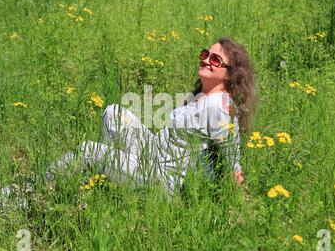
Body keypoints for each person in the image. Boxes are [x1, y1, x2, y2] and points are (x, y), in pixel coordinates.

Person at [46, 36, 258, 196]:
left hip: (160, 177)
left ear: (230, 73)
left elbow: (231, 157)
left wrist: (239, 201)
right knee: (114, 113)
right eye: (205, 55)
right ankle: (104, 177)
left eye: (215, 59)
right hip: (152, 153)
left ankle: (34, 189)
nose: (206, 61)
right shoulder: (202, 96)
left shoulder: (220, 106)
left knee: (88, 150)